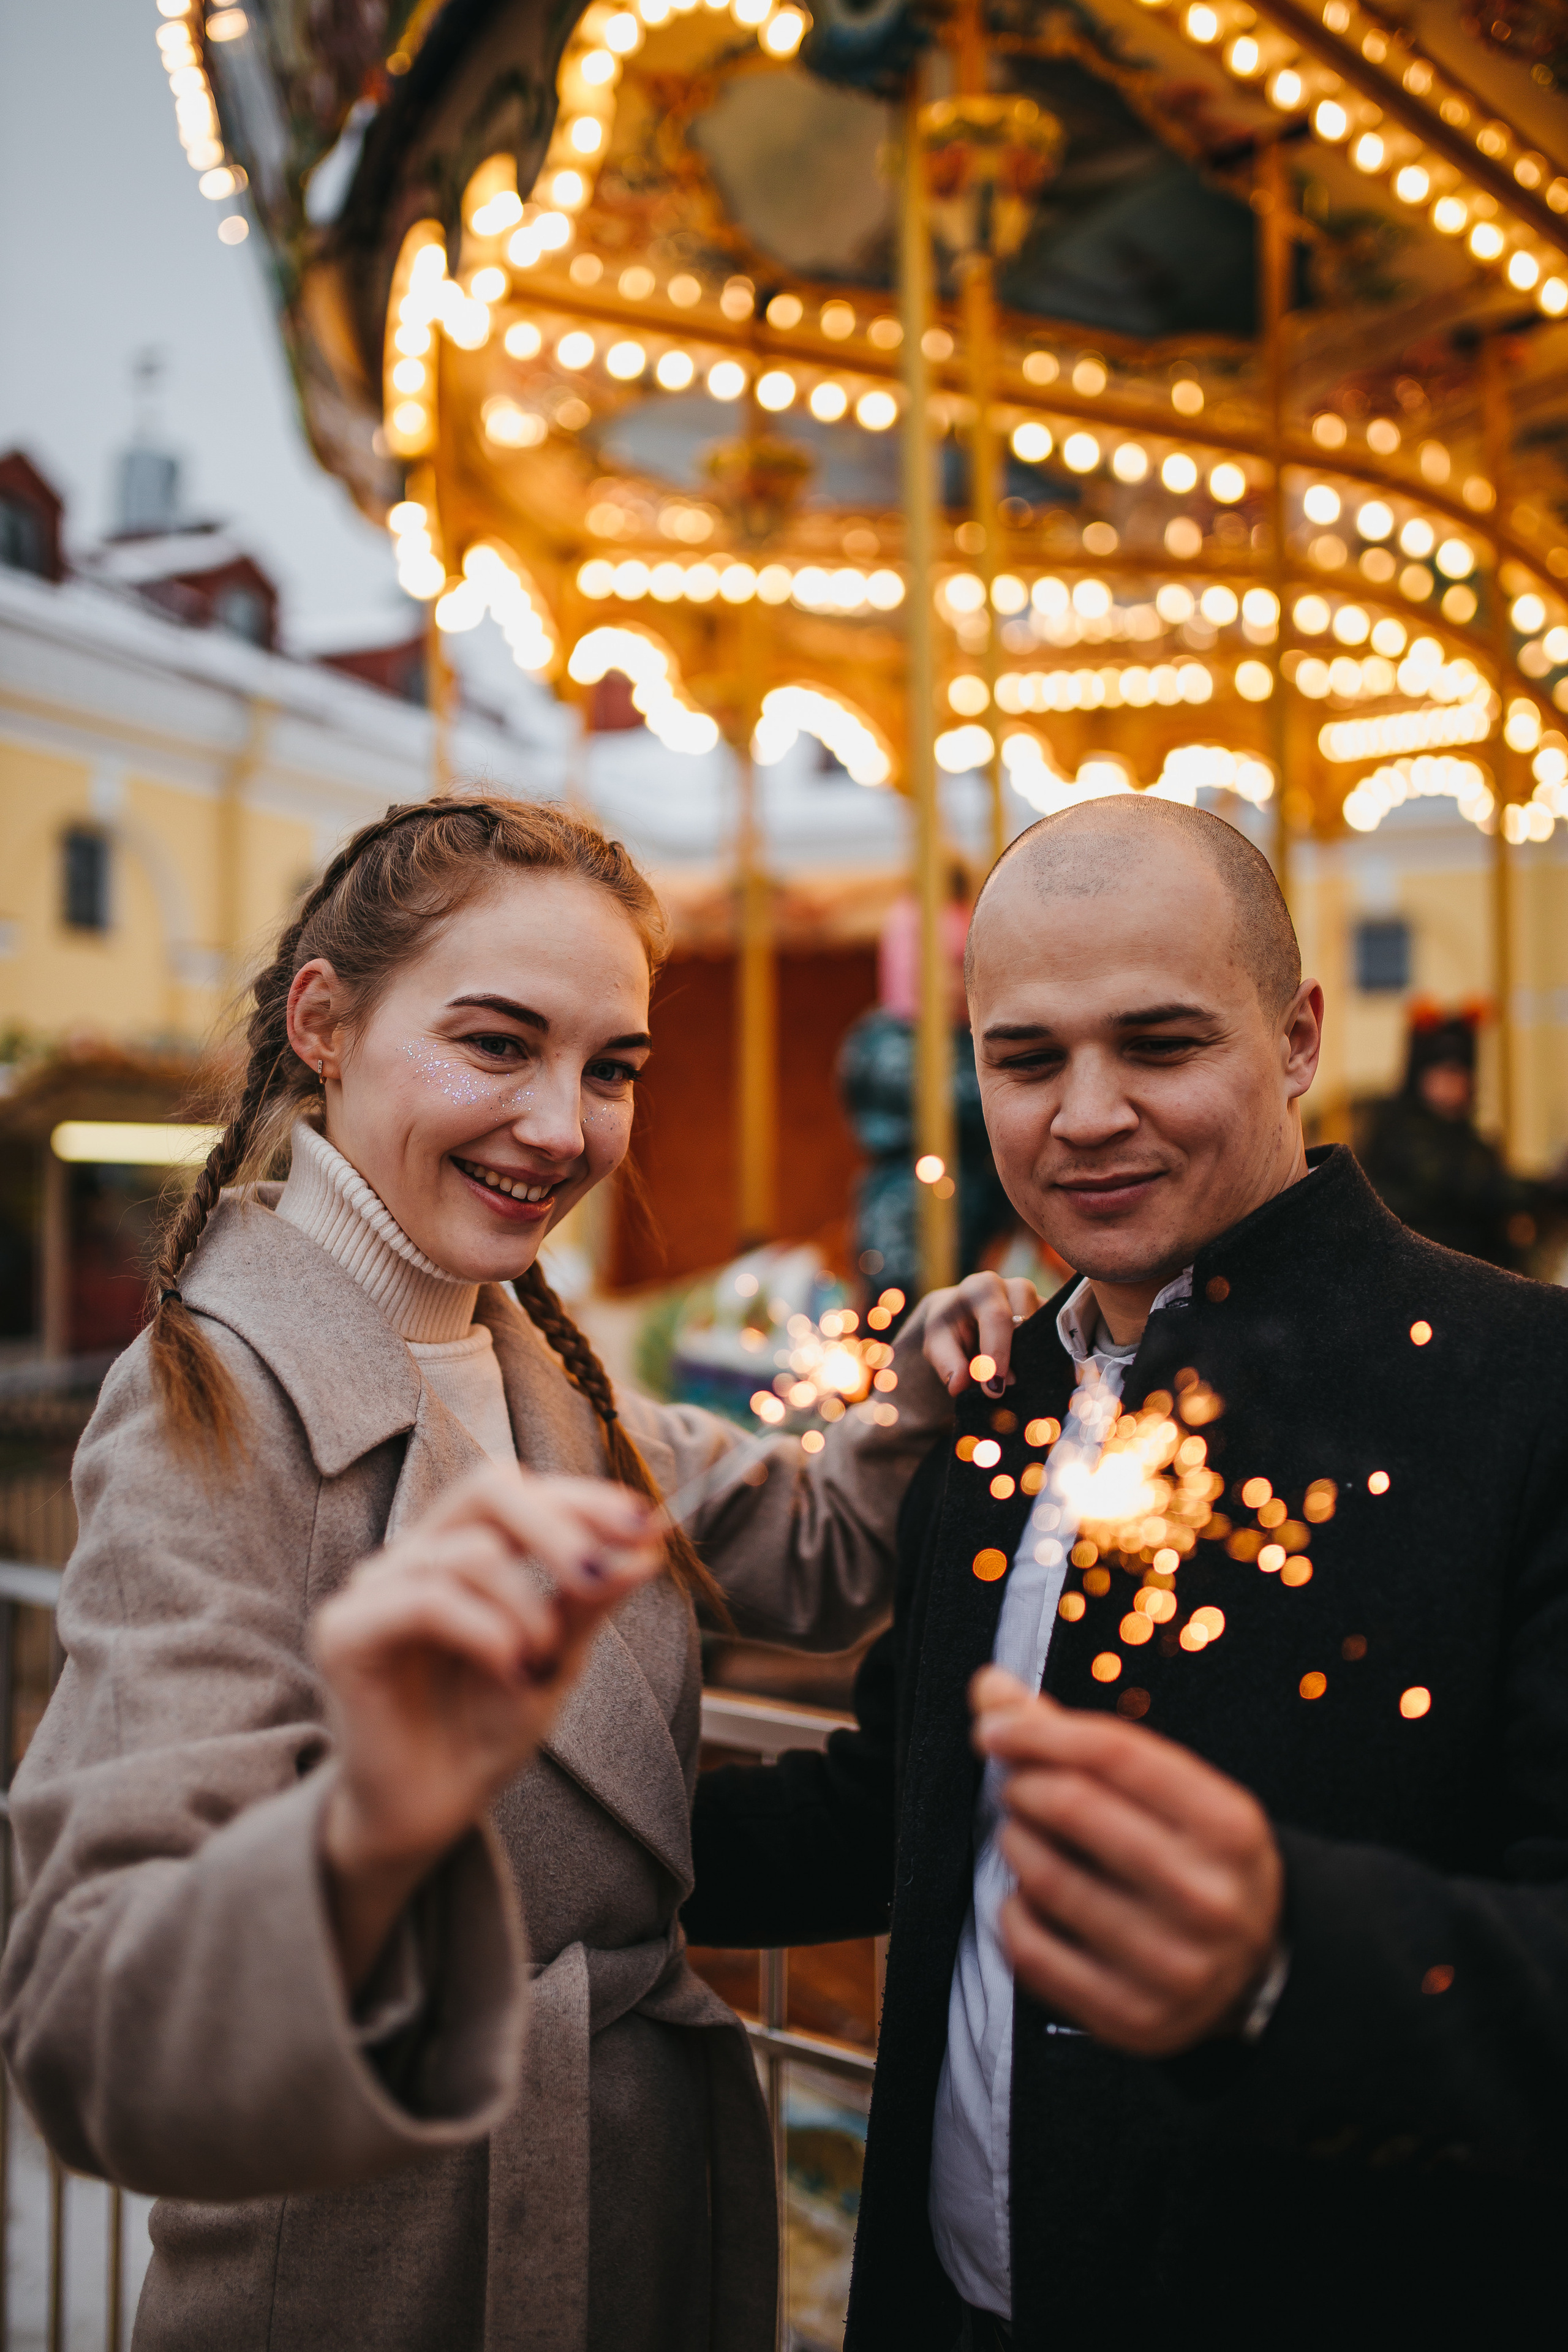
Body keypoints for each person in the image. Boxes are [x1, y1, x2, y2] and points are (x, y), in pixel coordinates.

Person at [0, 799, 952, 2352]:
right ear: (324, 1019)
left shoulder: (528, 1359)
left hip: (622, 2220)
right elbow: (93, 2022)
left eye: (612, 1068)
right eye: (497, 1044)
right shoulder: (208, 1411)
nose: (564, 1126)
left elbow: (811, 1546)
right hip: (392, 2269)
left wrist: (940, 1391)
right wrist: (370, 1826)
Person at [687, 793, 1568, 2346]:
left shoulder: (1523, 1392)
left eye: (1157, 1044)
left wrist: (1281, 1954)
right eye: (1025, 1059)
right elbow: (899, 1801)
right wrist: (519, 1807)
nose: (1082, 1113)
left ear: (1293, 1037)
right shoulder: (1002, 1385)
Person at [1358, 1000, 1536, 1267]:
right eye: (1444, 1071)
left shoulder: (1474, 1141)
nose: (1453, 1082)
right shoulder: (1397, 1131)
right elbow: (1465, 1184)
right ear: (1421, 1074)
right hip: (1410, 1270)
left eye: (1460, 1072)